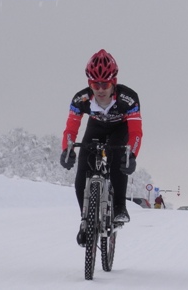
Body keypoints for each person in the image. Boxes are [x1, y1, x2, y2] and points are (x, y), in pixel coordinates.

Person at [59, 49, 143, 246]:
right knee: (83, 167)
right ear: (89, 83)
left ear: (113, 81)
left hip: (120, 129)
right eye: (95, 84)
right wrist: (67, 149)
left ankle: (120, 207)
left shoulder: (128, 99)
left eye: (105, 84)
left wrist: (131, 155)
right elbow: (71, 129)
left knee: (117, 159)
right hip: (95, 128)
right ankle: (85, 222)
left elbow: (136, 133)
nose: (100, 89)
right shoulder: (81, 99)